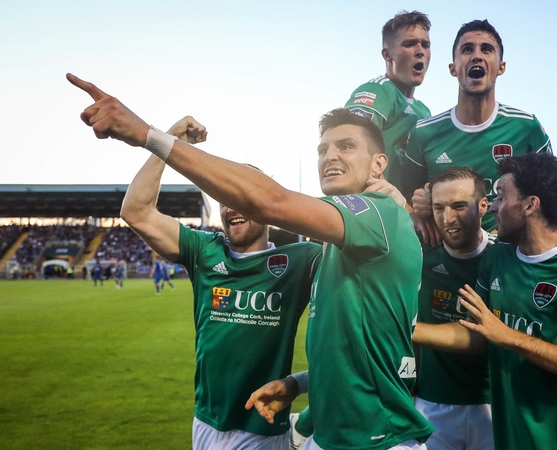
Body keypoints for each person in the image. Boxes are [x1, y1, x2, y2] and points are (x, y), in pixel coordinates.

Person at [68, 73, 433, 450]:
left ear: (378, 164)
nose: (330, 156)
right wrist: (297, 384)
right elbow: (346, 349)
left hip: (365, 439)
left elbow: (269, 201)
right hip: (289, 429)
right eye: (323, 149)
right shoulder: (231, 250)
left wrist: (150, 134)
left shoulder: (319, 249)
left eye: (346, 146)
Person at [119, 116, 323, 450]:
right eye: (225, 198)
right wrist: (165, 140)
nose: (232, 207)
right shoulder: (204, 250)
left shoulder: (301, 260)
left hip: (261, 426)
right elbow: (136, 211)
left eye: (244, 196)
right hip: (205, 422)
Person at [413, 152, 557, 449]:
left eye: (500, 197)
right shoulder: (497, 257)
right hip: (512, 433)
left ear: (530, 205)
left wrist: (508, 336)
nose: (493, 207)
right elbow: (477, 335)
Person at [402, 20, 552, 235]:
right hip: (445, 252)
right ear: (453, 68)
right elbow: (407, 194)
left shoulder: (527, 127)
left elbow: (551, 196)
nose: (477, 56)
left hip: (507, 251)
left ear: (501, 67)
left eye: (487, 49)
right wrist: (418, 209)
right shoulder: (423, 132)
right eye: (467, 49)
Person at [414, 167, 493, 450]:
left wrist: (400, 327)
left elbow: (478, 337)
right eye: (438, 208)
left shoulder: (504, 258)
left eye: (459, 206)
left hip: (493, 403)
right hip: (431, 403)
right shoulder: (418, 253)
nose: (448, 218)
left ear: (482, 206)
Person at [345, 10, 432, 185]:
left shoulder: (424, 111)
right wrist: (389, 196)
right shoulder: (377, 91)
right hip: (377, 199)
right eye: (410, 44)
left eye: (425, 45)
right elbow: (351, 149)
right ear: (387, 54)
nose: (420, 51)